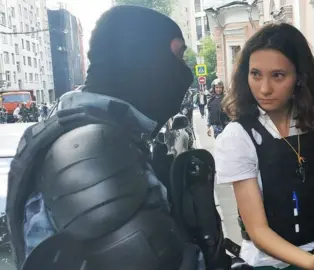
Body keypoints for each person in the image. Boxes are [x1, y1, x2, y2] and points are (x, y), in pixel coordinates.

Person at [7, 5, 230, 270]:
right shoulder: (92, 150)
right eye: (178, 56)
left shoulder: (83, 132)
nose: (184, 73)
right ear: (145, 58)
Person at [214, 23, 314, 269]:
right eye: (255, 74)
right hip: (273, 263)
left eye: (278, 75)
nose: (264, 88)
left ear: (300, 77)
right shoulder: (238, 136)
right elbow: (257, 229)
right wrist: (310, 263)